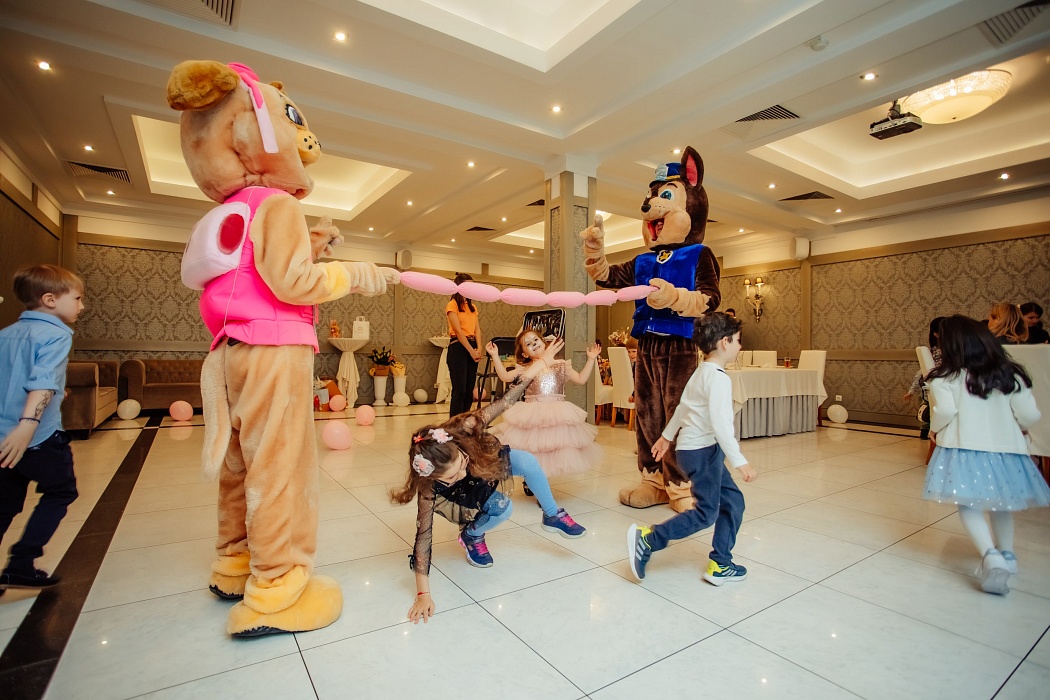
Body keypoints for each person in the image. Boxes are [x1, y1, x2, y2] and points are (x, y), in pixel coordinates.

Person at [392, 338, 587, 624]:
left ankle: (552, 514)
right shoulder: (428, 486)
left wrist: (541, 365)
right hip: (467, 492)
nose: (459, 473)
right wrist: (423, 594)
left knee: (527, 461)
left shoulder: (464, 428)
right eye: (450, 476)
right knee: (503, 509)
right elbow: (423, 539)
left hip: (482, 460)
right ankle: (472, 535)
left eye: (458, 465)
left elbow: (507, 400)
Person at [626, 312, 758, 586]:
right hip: (703, 452)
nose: (740, 346)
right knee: (707, 513)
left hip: (696, 451)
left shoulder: (702, 371)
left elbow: (683, 407)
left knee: (733, 502)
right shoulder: (718, 378)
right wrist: (739, 460)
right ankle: (649, 539)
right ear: (724, 342)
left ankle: (721, 563)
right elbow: (722, 425)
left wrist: (665, 438)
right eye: (737, 340)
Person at [921, 315, 1048, 595]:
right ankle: (1008, 555)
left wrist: (935, 430)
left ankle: (990, 555)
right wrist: (1020, 428)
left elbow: (945, 411)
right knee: (1001, 502)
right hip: (1007, 451)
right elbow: (1029, 414)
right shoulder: (1011, 374)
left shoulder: (947, 377)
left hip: (964, 448)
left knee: (969, 503)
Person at [0, 265, 84, 592]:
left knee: (5, 504)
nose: (81, 306)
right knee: (62, 491)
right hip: (37, 438)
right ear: (50, 299)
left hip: (3, 438)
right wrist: (28, 425)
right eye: (77, 298)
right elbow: (42, 382)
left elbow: (18, 382)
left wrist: (56, 392)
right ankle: (21, 563)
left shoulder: (6, 334)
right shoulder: (57, 334)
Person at [486, 330, 603, 478]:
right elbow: (504, 376)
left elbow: (581, 379)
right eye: (528, 344)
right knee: (532, 446)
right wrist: (495, 356)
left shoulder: (561, 364)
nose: (534, 344)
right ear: (525, 354)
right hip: (532, 413)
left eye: (536, 340)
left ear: (543, 342)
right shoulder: (526, 368)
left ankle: (541, 478)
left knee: (550, 447)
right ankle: (530, 476)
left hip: (556, 411)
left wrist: (591, 359)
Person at [445, 273, 483, 416]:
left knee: (468, 390)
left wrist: (479, 348)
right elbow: (458, 331)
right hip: (458, 347)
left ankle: (465, 421)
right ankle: (454, 423)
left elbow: (477, 330)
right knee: (460, 390)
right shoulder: (452, 305)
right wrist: (471, 351)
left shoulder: (473, 307)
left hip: (472, 345)